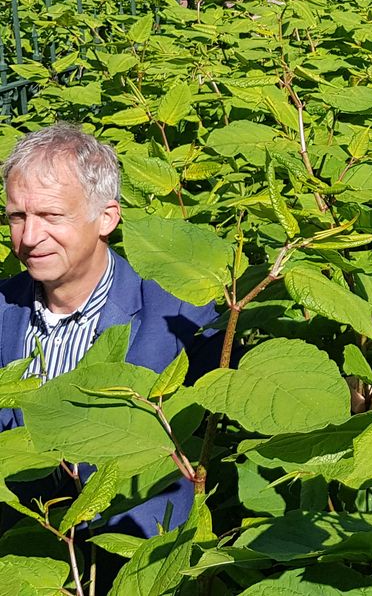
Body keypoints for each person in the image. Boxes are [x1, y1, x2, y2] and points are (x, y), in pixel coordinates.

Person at [0, 123, 217, 537]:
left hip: (137, 550)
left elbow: (238, 400)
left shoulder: (177, 311)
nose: (29, 237)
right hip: (28, 550)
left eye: (50, 215)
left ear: (106, 218)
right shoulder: (2, 309)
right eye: (17, 216)